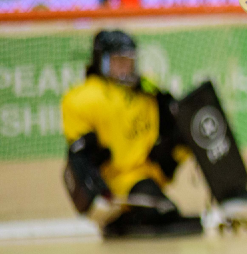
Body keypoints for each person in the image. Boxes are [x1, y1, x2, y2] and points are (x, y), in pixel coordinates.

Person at [61, 30, 225, 239]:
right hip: (118, 179)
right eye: (118, 61)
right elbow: (79, 154)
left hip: (150, 170)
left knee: (191, 128)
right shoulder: (83, 98)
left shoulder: (146, 87)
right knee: (161, 212)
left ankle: (231, 193)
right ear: (100, 61)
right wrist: (94, 195)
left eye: (129, 61)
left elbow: (171, 116)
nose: (125, 68)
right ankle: (122, 219)